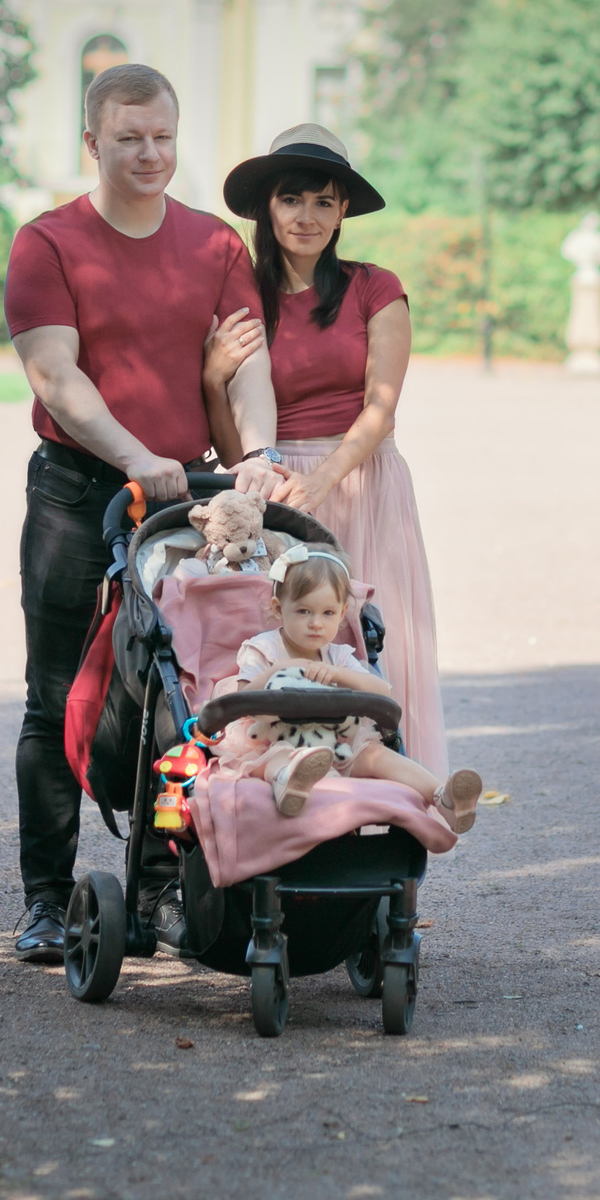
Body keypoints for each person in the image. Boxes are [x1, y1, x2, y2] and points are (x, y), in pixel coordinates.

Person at [2, 64, 287, 962]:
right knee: (52, 699)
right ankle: (46, 901)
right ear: (93, 142)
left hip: (186, 507)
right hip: (77, 489)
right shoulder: (47, 243)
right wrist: (134, 455)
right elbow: (56, 373)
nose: (151, 152)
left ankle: (162, 891)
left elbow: (248, 366)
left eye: (163, 135)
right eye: (130, 137)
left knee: (181, 698)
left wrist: (257, 456)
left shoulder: (214, 247)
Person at [203, 124, 448, 775]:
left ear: (343, 211)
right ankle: (289, 795)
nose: (307, 216)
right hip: (274, 491)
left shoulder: (375, 287)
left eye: (324, 201)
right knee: (281, 648)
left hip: (361, 482)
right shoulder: (240, 297)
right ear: (267, 207)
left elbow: (382, 408)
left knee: (369, 646)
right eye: (291, 199)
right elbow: (231, 445)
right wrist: (211, 376)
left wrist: (325, 480)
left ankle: (387, 799)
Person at [215, 545, 481, 831]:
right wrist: (276, 670)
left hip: (334, 745)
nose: (316, 623)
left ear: (342, 614)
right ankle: (289, 784)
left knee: (374, 754)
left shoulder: (338, 656)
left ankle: (443, 798)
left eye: (327, 613)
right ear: (279, 609)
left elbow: (382, 693)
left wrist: (339, 674)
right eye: (304, 611)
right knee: (279, 755)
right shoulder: (265, 648)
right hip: (273, 741)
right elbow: (242, 699)